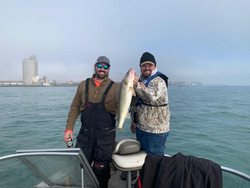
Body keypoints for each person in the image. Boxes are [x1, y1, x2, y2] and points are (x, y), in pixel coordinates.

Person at [63, 56, 119, 188]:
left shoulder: (116, 87)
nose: (102, 69)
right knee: (81, 167)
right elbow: (75, 107)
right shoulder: (83, 85)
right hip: (85, 136)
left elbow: (130, 102)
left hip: (105, 138)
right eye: (100, 66)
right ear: (95, 66)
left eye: (105, 67)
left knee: (101, 170)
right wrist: (68, 129)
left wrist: (133, 87)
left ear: (109, 69)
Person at [130, 52, 170, 155]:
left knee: (155, 163)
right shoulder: (141, 81)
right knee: (143, 160)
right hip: (141, 128)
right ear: (140, 67)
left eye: (150, 65)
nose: (147, 68)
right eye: (144, 65)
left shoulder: (159, 81)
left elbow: (151, 96)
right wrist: (133, 122)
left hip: (155, 132)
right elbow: (137, 103)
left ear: (155, 66)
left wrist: (136, 85)